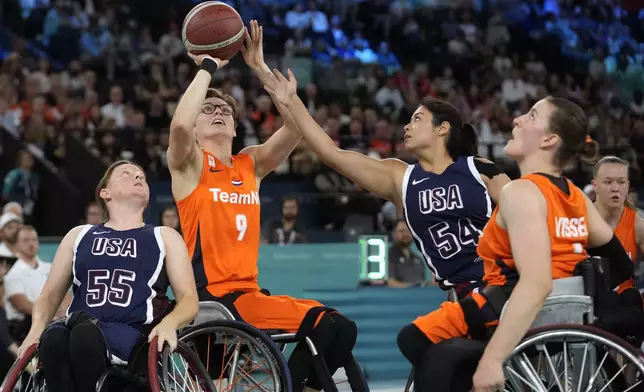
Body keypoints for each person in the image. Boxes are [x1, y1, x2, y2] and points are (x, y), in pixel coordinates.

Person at [391, 96, 632, 391]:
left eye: (531, 116)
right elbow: (620, 264)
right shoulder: (574, 195)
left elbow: (537, 283)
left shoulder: (520, 192)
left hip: (511, 310)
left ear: (549, 139)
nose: (517, 120)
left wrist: (492, 360)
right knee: (446, 353)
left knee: (418, 343)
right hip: (564, 314)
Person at [169, 21, 360, 392]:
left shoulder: (250, 164)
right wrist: (207, 68)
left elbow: (296, 127)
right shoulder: (190, 167)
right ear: (195, 126)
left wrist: (258, 67)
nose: (218, 112)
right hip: (214, 296)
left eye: (225, 110)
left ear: (237, 130)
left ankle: (295, 383)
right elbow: (178, 127)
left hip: (250, 296)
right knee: (333, 325)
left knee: (339, 329)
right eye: (208, 110)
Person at [262, 70, 510, 299]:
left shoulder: (477, 167)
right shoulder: (400, 178)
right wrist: (292, 100)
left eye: (417, 119)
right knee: (417, 342)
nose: (407, 126)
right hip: (460, 293)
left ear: (442, 128)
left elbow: (522, 210)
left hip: (499, 281)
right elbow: (331, 153)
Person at [16, 161, 199, 392]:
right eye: (126, 174)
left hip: (132, 334)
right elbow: (50, 295)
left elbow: (189, 300)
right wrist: (35, 331)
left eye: (141, 176)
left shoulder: (165, 236)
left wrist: (171, 323)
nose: (138, 177)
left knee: (84, 336)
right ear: (105, 193)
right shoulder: (79, 235)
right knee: (53, 339)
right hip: (77, 327)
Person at [591, 156, 644, 305]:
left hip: (626, 305)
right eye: (608, 182)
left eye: (621, 182)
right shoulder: (579, 218)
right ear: (595, 185)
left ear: (627, 186)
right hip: (588, 303)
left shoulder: (637, 224)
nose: (615, 188)